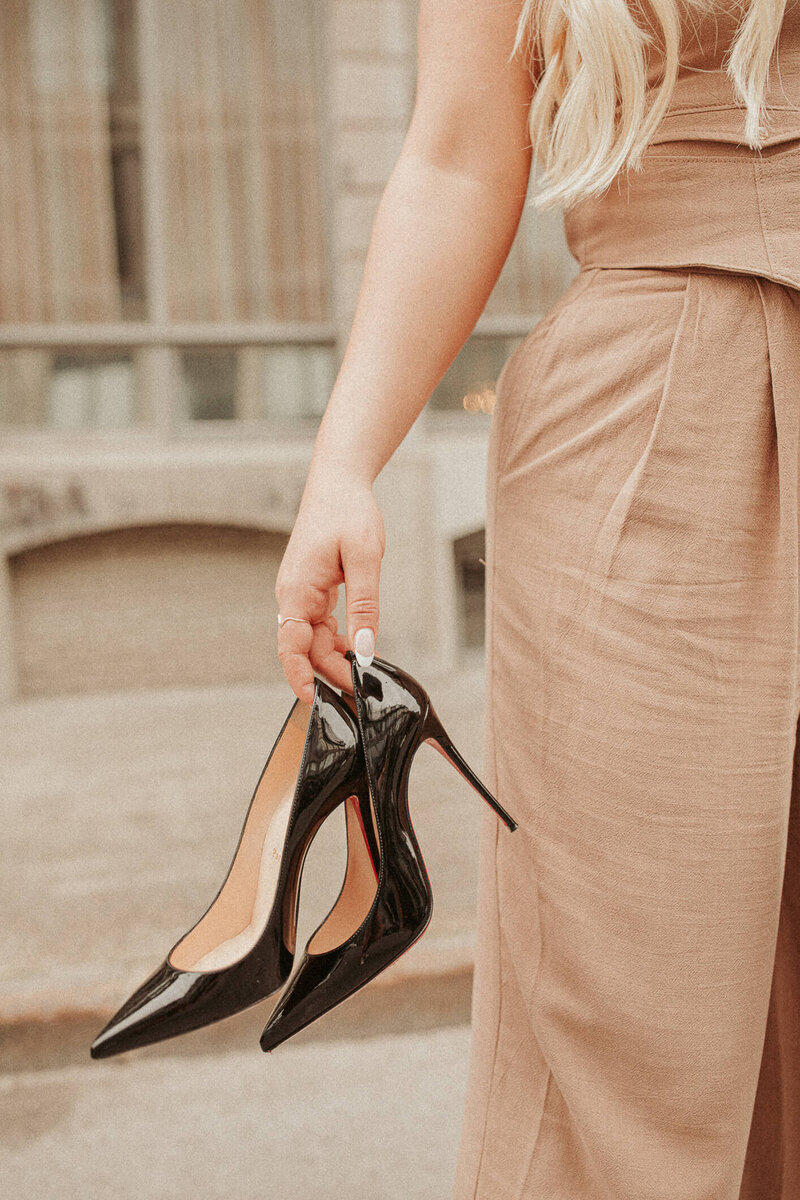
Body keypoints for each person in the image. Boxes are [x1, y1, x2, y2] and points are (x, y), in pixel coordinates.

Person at [274, 0, 800, 1196]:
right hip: (657, 418)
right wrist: (341, 467)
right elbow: (461, 148)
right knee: (630, 1016)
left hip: (658, 403)